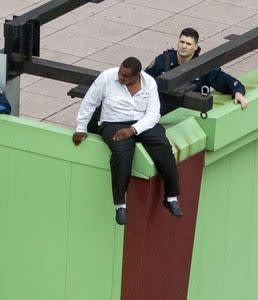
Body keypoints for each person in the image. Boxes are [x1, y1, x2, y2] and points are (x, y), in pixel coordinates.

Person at [72, 57, 182, 225]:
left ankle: (171, 197)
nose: (120, 77)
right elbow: (90, 101)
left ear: (137, 75)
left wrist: (132, 130)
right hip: (113, 122)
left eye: (125, 76)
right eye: (120, 73)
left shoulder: (149, 83)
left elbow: (154, 114)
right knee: (122, 153)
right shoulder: (107, 78)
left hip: (142, 122)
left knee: (163, 148)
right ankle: (120, 206)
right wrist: (81, 127)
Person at [145, 27, 248, 115]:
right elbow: (143, 80)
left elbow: (227, 82)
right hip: (158, 111)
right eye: (181, 42)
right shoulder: (163, 61)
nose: (184, 46)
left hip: (186, 114)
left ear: (195, 47)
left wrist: (238, 93)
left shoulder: (202, 67)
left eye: (188, 44)